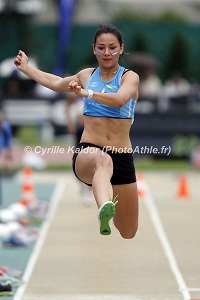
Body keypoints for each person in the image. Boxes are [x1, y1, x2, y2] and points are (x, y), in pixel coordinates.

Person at [14, 24, 139, 239]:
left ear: (121, 49)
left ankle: (108, 204)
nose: (106, 53)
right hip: (89, 152)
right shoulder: (85, 75)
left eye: (112, 47)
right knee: (103, 161)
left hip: (122, 156)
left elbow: (119, 100)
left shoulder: (130, 78)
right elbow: (56, 83)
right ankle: (104, 207)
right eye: (101, 47)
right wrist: (27, 69)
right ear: (94, 49)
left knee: (128, 232)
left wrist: (87, 93)